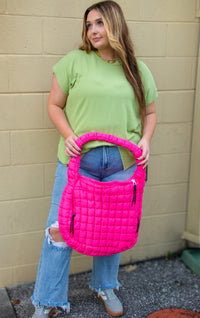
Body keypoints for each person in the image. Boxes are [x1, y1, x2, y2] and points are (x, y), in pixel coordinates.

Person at [31, 1, 157, 317]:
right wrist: (69, 135)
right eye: (89, 25)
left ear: (115, 24)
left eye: (99, 23)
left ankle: (105, 285)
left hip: (121, 163)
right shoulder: (74, 62)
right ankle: (48, 300)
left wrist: (145, 140)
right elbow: (54, 105)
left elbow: (150, 113)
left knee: (111, 230)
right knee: (60, 228)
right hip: (78, 162)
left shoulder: (137, 69)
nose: (93, 30)